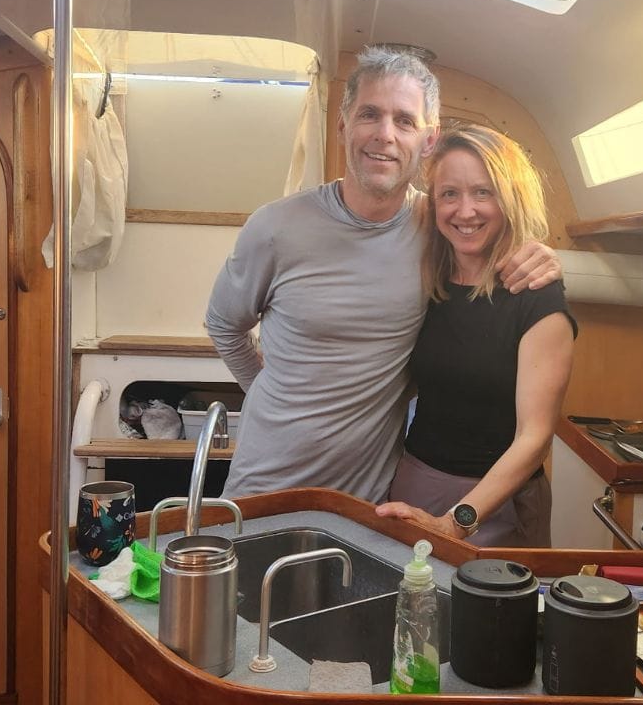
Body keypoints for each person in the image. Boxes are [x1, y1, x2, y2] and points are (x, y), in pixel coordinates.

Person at [205, 46, 560, 502]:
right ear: (343, 124)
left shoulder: (438, 227)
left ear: (428, 140)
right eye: (369, 114)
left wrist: (546, 256)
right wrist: (268, 396)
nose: (385, 135)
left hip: (369, 498)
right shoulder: (275, 227)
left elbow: (499, 242)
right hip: (264, 485)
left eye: (404, 121)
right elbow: (224, 324)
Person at [374, 123, 576, 546]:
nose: (465, 212)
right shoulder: (429, 278)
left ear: (511, 199)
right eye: (450, 194)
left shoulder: (535, 293)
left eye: (483, 192)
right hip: (415, 483)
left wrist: (459, 520)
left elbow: (534, 437)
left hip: (497, 504)